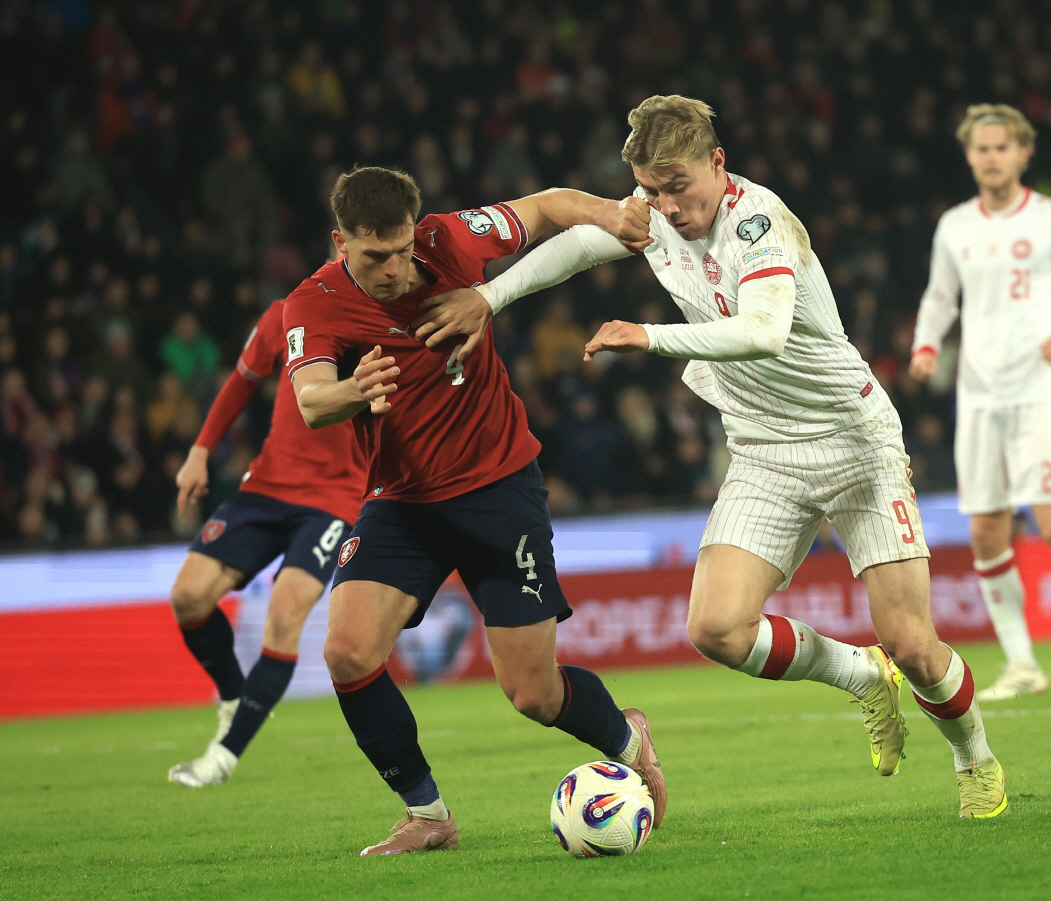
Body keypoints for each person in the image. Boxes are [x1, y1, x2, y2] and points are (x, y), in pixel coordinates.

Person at [416, 96, 1007, 819]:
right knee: (716, 629)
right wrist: (489, 294)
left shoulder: (759, 222)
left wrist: (651, 336)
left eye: (678, 187)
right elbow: (577, 244)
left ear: (718, 164)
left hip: (853, 439)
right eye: (651, 191)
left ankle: (972, 756)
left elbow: (763, 331)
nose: (665, 207)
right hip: (763, 446)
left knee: (914, 643)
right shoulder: (654, 211)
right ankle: (859, 675)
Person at [283, 166, 665, 856]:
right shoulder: (313, 305)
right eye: (377, 257)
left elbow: (547, 207)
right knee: (345, 649)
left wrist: (611, 214)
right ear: (341, 242)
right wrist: (353, 389)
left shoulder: (448, 241)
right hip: (401, 504)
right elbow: (311, 400)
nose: (398, 269)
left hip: (497, 490)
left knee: (532, 693)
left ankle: (627, 737)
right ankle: (427, 813)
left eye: (403, 250)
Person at [908, 104, 1051, 700]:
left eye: (1001, 147)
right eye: (981, 149)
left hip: (1041, 393)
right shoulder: (955, 225)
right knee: (986, 534)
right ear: (969, 157)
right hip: (980, 396)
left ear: (1023, 153)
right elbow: (939, 297)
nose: (991, 157)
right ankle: (1023, 663)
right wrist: (926, 345)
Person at [168, 298, 366, 786]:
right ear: (339, 241)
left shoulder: (388, 317)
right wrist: (199, 452)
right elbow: (242, 381)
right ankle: (234, 696)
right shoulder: (289, 312)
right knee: (188, 597)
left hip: (334, 497)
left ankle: (223, 757)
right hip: (267, 485)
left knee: (284, 614)